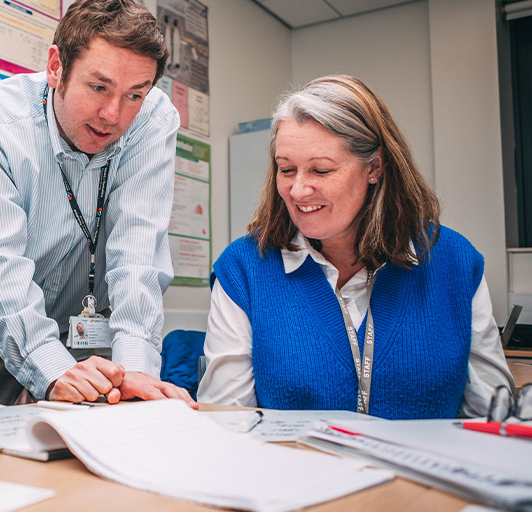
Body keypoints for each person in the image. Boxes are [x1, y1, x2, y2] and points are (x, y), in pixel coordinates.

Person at [0, 0, 195, 408]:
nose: (114, 115)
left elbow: (138, 253)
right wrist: (53, 372)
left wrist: (137, 369)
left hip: (83, 332)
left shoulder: (154, 118)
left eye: (134, 94)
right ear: (56, 67)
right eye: (98, 87)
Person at [198, 74, 513, 419]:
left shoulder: (453, 261)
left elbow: (491, 418)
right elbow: (226, 422)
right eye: (286, 169)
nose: (298, 190)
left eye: (320, 170)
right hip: (297, 472)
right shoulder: (244, 268)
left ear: (374, 167)